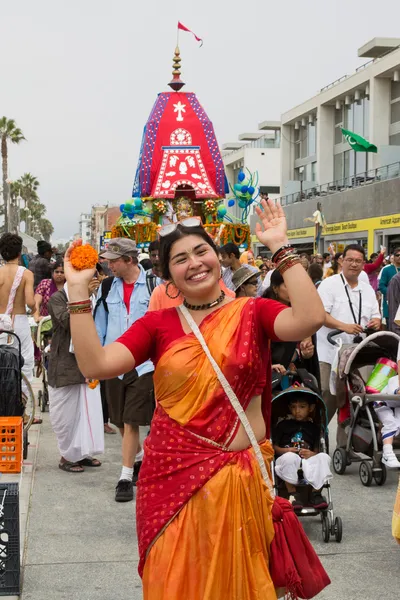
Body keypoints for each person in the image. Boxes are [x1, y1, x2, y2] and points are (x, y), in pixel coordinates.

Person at [63, 198, 326, 599]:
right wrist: (79, 291)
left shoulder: (252, 312)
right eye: (180, 258)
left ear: (218, 258)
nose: (195, 262)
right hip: (169, 478)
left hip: (239, 481)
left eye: (201, 251)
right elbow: (96, 364)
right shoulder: (157, 324)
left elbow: (308, 319)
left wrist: (280, 246)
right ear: (168, 275)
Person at [94, 238, 155, 502]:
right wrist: (94, 363)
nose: (108, 265)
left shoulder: (155, 286)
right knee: (118, 420)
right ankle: (139, 457)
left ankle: (125, 476)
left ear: (129, 260)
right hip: (114, 362)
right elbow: (99, 325)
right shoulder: (107, 287)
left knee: (131, 420)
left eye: (113, 260)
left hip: (145, 365)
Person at [316, 244, 381, 442]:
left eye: (358, 261)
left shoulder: (367, 289)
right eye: (350, 260)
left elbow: (376, 316)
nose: (354, 264)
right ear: (341, 261)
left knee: (353, 398)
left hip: (356, 352)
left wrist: (376, 322)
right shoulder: (329, 285)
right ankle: (316, 434)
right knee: (329, 394)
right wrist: (343, 326)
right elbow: (321, 316)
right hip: (330, 351)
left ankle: (344, 446)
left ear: (364, 264)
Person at [47, 278, 104, 472]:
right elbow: (68, 323)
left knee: (87, 413)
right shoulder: (57, 298)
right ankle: (67, 457)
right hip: (64, 365)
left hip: (87, 362)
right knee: (66, 415)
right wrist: (84, 297)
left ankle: (82, 453)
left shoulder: (96, 297)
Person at [273, 392, 332, 510]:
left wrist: (311, 454)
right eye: (293, 407)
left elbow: (316, 451)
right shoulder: (283, 425)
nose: (297, 411)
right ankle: (293, 494)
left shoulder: (314, 428)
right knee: (289, 457)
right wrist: (287, 450)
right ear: (289, 408)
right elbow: (274, 447)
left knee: (324, 457)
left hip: (307, 459)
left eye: (302, 407)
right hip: (287, 457)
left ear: (311, 408)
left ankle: (316, 494)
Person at [264, 270, 319, 384]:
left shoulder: (302, 313)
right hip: (271, 378)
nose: (294, 290)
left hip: (296, 378)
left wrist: (305, 353)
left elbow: (307, 356)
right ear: (275, 288)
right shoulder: (265, 313)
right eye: (287, 285)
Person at [0, 233, 35, 394]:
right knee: (25, 362)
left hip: (1, 322)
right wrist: (34, 309)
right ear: (20, 252)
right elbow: (30, 302)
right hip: (19, 321)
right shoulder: (26, 274)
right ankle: (21, 404)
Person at [379, 247, 400, 324]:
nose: (399, 257)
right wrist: (393, 294)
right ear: (393, 257)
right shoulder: (386, 269)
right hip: (390, 305)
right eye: (397, 255)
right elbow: (381, 286)